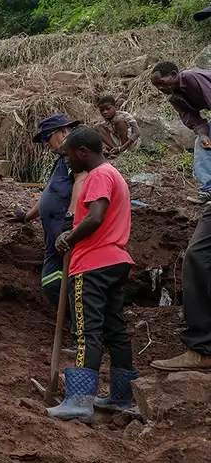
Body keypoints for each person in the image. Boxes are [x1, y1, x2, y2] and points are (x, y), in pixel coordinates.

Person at [47, 127, 135, 423]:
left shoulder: (98, 176)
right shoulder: (114, 174)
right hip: (115, 260)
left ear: (82, 152)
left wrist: (69, 237)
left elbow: (95, 217)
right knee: (115, 331)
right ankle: (123, 397)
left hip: (92, 264)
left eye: (69, 155)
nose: (68, 161)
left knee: (87, 331)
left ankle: (79, 400)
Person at [9, 115, 86, 310]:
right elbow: (48, 195)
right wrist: (27, 216)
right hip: (53, 240)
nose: (45, 144)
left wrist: (71, 216)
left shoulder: (75, 158)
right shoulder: (61, 161)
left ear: (63, 132)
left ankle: (82, 328)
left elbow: (81, 181)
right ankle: (76, 325)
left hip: (66, 234)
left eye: (46, 137)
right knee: (53, 282)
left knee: (66, 283)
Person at [150, 62, 211, 204]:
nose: (160, 88)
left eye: (161, 82)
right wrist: (203, 134)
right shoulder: (174, 97)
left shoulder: (191, 77)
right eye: (157, 86)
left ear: (173, 74)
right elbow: (193, 119)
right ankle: (208, 189)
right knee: (201, 142)